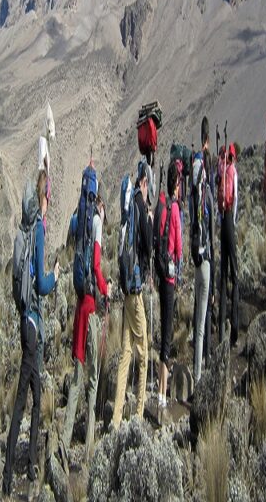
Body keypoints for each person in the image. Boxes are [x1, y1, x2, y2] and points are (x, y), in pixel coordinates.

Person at [2, 171, 59, 498]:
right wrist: (54, 275)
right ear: (44, 197)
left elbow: (18, 284)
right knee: (26, 399)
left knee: (34, 396)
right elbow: (41, 285)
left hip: (25, 322)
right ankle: (13, 472)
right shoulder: (37, 231)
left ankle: (28, 465)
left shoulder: (24, 231)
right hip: (34, 327)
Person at [60, 186, 111, 468]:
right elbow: (96, 264)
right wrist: (105, 289)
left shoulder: (80, 219)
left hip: (79, 307)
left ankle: (65, 442)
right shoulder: (96, 224)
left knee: (77, 379)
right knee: (92, 382)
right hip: (91, 309)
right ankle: (90, 450)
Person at [112, 160, 153, 427]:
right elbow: (149, 245)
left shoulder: (129, 207)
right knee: (144, 354)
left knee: (126, 353)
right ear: (144, 183)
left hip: (126, 288)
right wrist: (149, 220)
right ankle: (138, 413)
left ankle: (116, 417)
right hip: (135, 291)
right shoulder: (140, 206)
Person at [155, 161, 182, 412]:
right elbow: (179, 245)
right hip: (171, 277)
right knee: (167, 334)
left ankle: (160, 388)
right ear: (177, 183)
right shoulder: (174, 210)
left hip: (160, 275)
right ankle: (162, 394)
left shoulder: (162, 207)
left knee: (163, 327)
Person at [191, 153, 214, 384]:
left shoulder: (192, 197)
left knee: (197, 317)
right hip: (206, 262)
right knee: (201, 325)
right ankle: (198, 377)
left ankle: (196, 368)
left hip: (196, 264)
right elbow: (212, 236)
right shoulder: (206, 196)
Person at [218, 143, 239, 346]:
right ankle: (235, 328)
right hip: (229, 220)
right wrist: (234, 221)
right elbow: (237, 197)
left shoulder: (222, 170)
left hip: (221, 219)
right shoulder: (232, 171)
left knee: (223, 275)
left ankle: (221, 325)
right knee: (235, 275)